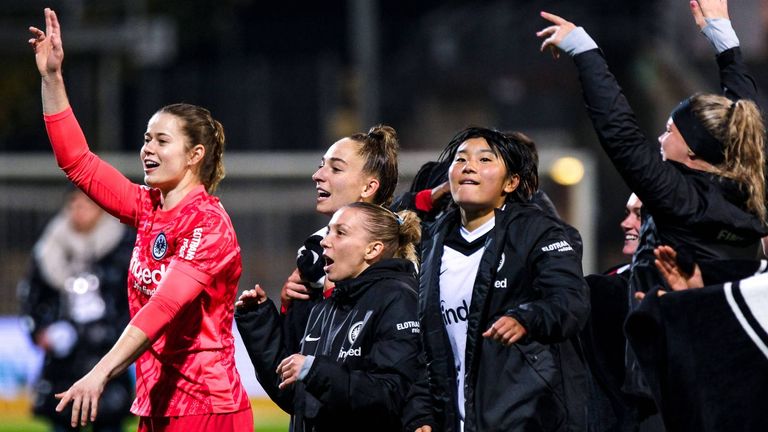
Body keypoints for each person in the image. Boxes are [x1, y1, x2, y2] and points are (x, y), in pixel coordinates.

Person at [29, 8, 251, 430]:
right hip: (158, 403)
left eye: (162, 140)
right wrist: (52, 78)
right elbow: (76, 162)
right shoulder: (147, 206)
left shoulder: (208, 223)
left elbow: (163, 308)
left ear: (194, 155)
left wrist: (99, 372)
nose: (147, 148)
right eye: (147, 138)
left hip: (207, 407)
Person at [538, 0, 767, 408]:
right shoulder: (751, 187)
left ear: (694, 153)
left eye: (669, 131)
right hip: (739, 354)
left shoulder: (683, 199)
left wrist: (585, 50)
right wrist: (722, 36)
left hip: (672, 365)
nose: (660, 140)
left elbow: (621, 135)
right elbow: (743, 113)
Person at [411, 127, 590, 431]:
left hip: (527, 420)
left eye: (484, 160)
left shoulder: (537, 232)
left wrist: (527, 317)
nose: (469, 166)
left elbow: (571, 301)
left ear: (511, 182)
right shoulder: (431, 244)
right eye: (460, 159)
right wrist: (422, 415)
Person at [235, 202, 423, 431]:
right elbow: (297, 398)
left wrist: (314, 371)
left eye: (340, 233)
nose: (324, 240)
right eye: (329, 230)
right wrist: (258, 323)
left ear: (372, 250)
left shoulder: (398, 298)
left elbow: (390, 395)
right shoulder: (328, 305)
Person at [18, 189, 134, 432]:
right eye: (74, 203)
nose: (79, 209)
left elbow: (132, 301)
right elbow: (31, 296)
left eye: (87, 204)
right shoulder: (49, 245)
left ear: (101, 209)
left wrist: (108, 334)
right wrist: (42, 331)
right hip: (62, 367)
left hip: (108, 363)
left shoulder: (123, 245)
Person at [280, 125, 400, 352]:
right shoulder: (313, 255)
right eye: (321, 166)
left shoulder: (402, 265)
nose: (317, 175)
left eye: (335, 169)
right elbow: (285, 374)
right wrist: (287, 309)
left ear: (369, 187)